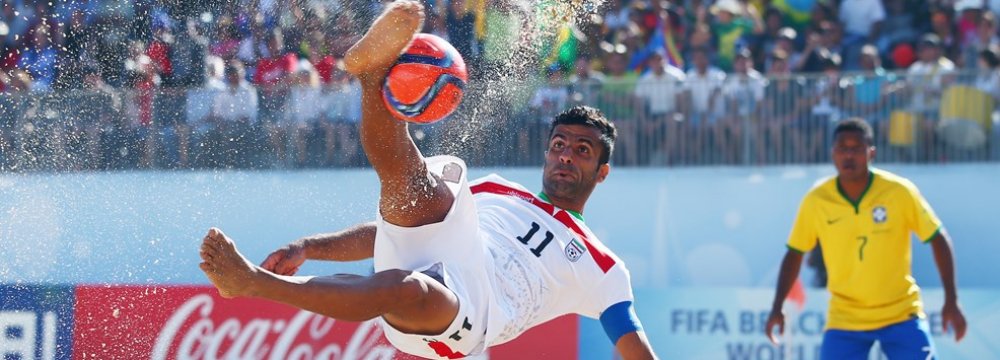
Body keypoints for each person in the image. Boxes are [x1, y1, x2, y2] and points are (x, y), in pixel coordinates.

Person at [198, 1, 657, 359]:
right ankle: (372, 75)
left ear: (602, 172)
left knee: (405, 287)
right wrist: (308, 247)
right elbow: (392, 230)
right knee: (415, 187)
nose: (565, 156)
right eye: (560, 144)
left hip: (472, 310)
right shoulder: (500, 190)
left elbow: (633, 345)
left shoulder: (604, 266)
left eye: (582, 150)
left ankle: (252, 283)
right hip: (452, 247)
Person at [764, 118, 968, 359]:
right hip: (845, 318)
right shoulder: (817, 200)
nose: (849, 155)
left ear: (871, 153)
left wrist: (952, 301)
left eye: (856, 148)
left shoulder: (899, 192)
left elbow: (938, 238)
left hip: (901, 314)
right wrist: (777, 306)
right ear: (833, 153)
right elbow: (795, 252)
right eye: (842, 148)